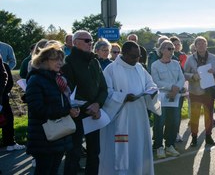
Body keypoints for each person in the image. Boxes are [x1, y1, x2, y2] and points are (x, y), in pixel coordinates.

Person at [99, 41, 157, 175]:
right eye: (133, 56)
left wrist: (152, 90)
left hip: (139, 116)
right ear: (123, 54)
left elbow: (151, 83)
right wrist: (123, 97)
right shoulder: (111, 69)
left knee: (138, 147)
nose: (137, 59)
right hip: (120, 118)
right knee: (121, 150)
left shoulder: (139, 68)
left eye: (138, 56)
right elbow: (105, 92)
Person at [25, 43, 79, 175]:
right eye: (55, 59)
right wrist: (66, 111)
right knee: (44, 170)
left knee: (54, 170)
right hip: (43, 136)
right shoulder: (36, 80)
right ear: (43, 61)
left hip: (59, 135)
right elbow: (37, 109)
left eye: (61, 59)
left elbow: (61, 102)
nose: (60, 62)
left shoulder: (58, 79)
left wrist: (72, 108)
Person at [62, 30, 108, 175]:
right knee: (74, 152)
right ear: (75, 42)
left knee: (94, 152)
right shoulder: (67, 63)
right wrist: (89, 106)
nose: (90, 44)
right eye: (87, 41)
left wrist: (98, 105)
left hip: (94, 113)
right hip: (77, 114)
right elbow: (68, 91)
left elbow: (103, 88)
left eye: (91, 41)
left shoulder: (94, 61)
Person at [184, 36, 215, 147]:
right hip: (195, 91)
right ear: (195, 46)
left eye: (203, 43)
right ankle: (194, 138)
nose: (201, 45)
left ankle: (209, 136)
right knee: (195, 115)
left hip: (208, 91)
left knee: (209, 115)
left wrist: (214, 71)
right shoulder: (190, 59)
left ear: (206, 45)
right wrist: (193, 76)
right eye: (199, 43)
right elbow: (184, 74)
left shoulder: (213, 58)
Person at [151, 40, 185, 159]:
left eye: (173, 49)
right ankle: (159, 147)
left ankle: (170, 145)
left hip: (175, 97)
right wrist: (171, 87)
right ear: (162, 50)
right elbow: (156, 81)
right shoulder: (155, 65)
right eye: (169, 49)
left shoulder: (176, 64)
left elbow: (181, 78)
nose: (172, 51)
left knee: (174, 122)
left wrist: (176, 89)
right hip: (161, 98)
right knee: (160, 122)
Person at [1, 55, 25, 152]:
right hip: (2, 97)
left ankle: (10, 142)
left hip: (3, 98)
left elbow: (9, 82)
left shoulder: (4, 66)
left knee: (7, 121)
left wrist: (3, 93)